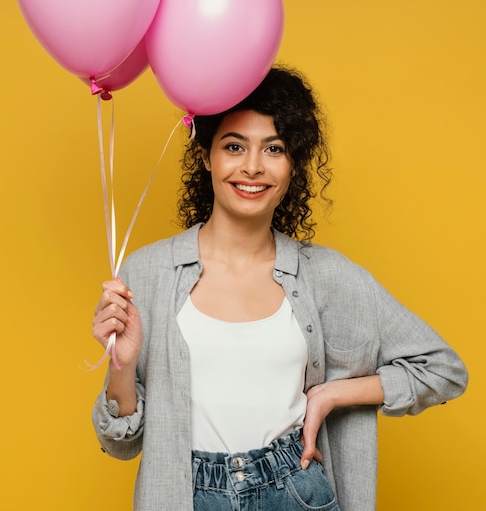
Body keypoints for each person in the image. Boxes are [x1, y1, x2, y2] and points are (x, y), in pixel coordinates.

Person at [92, 66, 467, 511]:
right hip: (185, 495)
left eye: (274, 148)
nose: (253, 166)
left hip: (295, 488)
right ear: (207, 155)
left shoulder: (329, 277)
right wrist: (123, 363)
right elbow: (120, 444)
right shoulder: (150, 271)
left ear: (293, 164)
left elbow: (443, 370)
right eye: (234, 146)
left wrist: (332, 394)